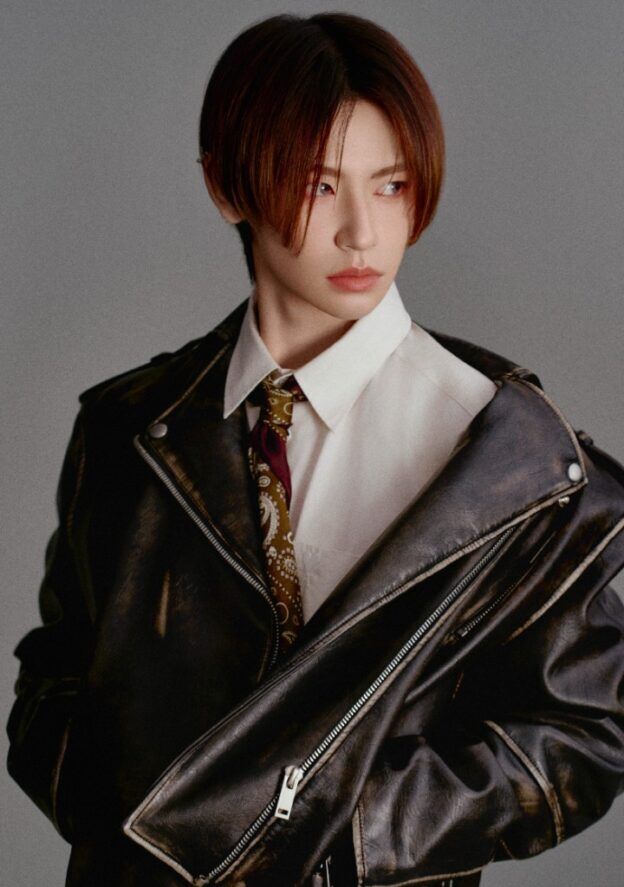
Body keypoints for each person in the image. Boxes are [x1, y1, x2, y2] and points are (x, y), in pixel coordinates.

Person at [6, 11, 624, 887]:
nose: (362, 233)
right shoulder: (127, 428)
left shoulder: (503, 453)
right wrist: (133, 820)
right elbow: (54, 679)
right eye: (319, 185)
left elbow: (584, 731)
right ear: (227, 186)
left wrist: (353, 832)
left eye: (392, 185)